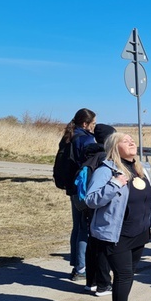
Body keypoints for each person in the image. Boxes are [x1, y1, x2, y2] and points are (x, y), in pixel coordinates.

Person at [85, 133, 151, 301]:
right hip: (116, 235)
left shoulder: (140, 168)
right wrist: (115, 184)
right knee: (124, 276)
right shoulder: (106, 171)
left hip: (139, 233)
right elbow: (91, 200)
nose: (131, 142)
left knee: (126, 277)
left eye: (132, 140)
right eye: (125, 140)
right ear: (114, 146)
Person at [60, 108, 97, 281]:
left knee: (77, 227)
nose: (94, 127)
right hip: (82, 188)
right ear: (85, 123)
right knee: (84, 229)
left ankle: (76, 265)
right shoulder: (86, 139)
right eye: (93, 123)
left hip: (72, 188)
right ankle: (81, 268)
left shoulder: (69, 137)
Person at [81, 123, 117, 296]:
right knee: (102, 245)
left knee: (92, 242)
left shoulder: (89, 152)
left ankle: (91, 281)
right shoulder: (104, 157)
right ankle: (103, 284)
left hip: (86, 203)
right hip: (98, 204)